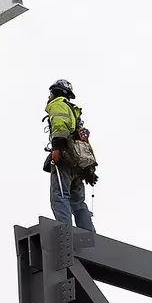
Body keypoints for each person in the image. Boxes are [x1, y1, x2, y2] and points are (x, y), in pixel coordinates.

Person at [42, 79, 96, 232]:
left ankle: (65, 233)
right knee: (78, 202)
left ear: (55, 92)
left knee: (60, 195)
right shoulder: (74, 112)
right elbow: (83, 139)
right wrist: (89, 168)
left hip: (65, 157)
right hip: (78, 162)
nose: (49, 96)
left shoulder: (57, 104)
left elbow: (60, 124)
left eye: (50, 93)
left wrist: (57, 148)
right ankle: (89, 235)